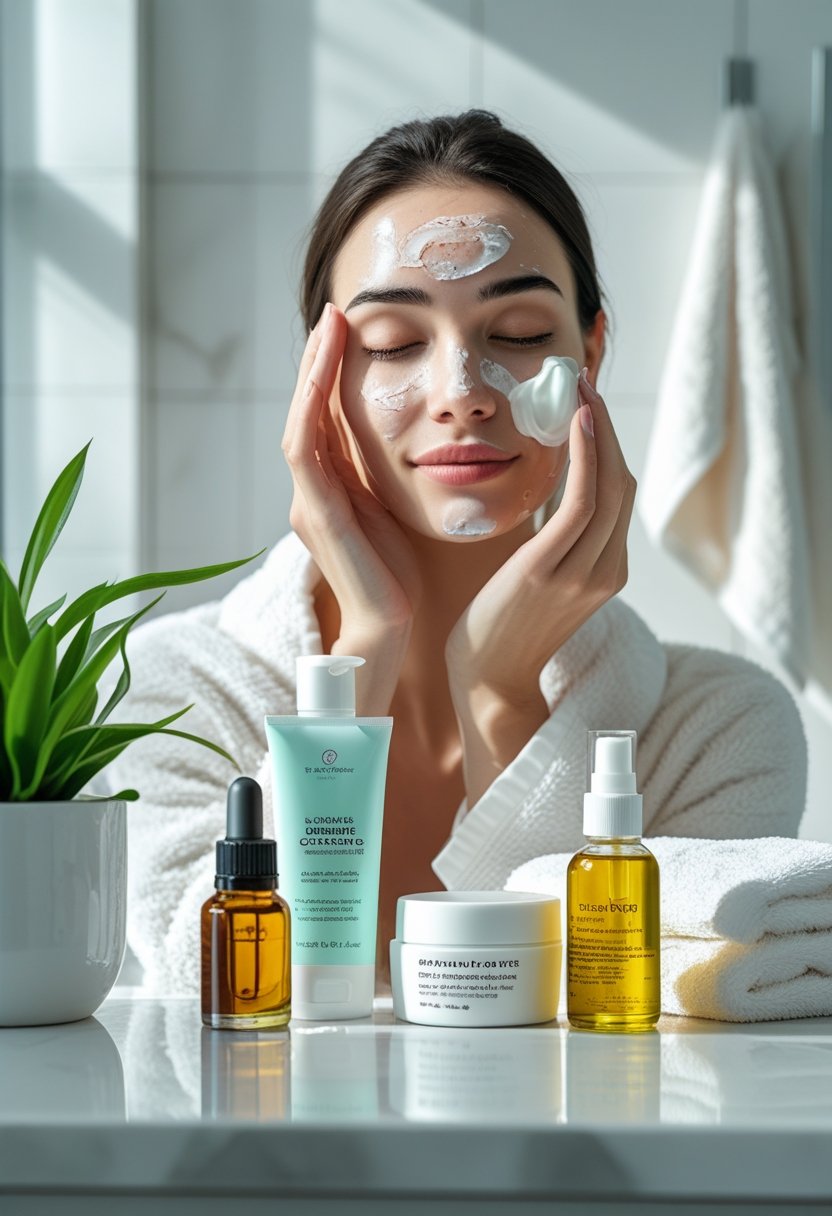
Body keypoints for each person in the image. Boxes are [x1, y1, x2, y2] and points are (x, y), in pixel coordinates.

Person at [108, 111, 806, 995]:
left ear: (591, 350)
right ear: (321, 383)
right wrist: (358, 651)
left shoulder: (718, 731)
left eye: (518, 333)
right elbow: (209, 991)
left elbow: (611, 1030)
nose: (463, 393)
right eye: (393, 345)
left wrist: (499, 691)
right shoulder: (169, 697)